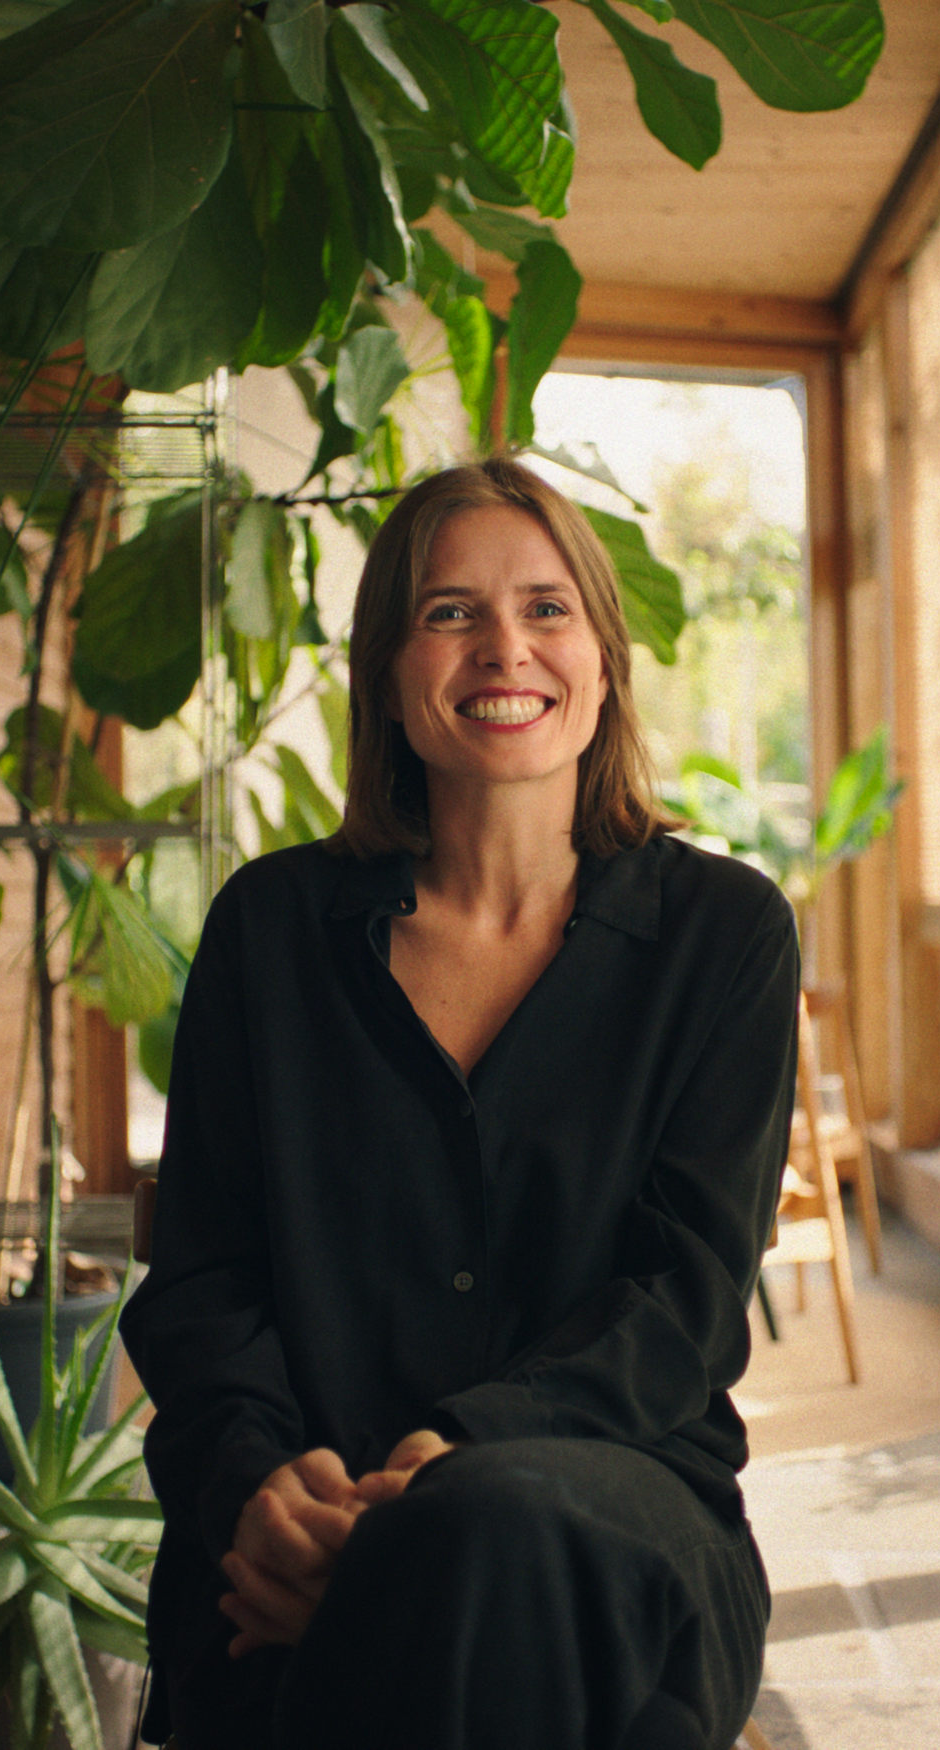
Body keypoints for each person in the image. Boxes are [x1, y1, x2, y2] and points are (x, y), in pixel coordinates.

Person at [118, 457, 800, 1750]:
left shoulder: (724, 937)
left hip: (617, 1515)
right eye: (449, 611)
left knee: (486, 1535)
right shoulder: (267, 934)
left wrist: (451, 1460)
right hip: (285, 1545)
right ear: (388, 665)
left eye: (547, 608)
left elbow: (688, 1302)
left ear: (603, 659)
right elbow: (203, 1281)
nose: (504, 646)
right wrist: (255, 1488)